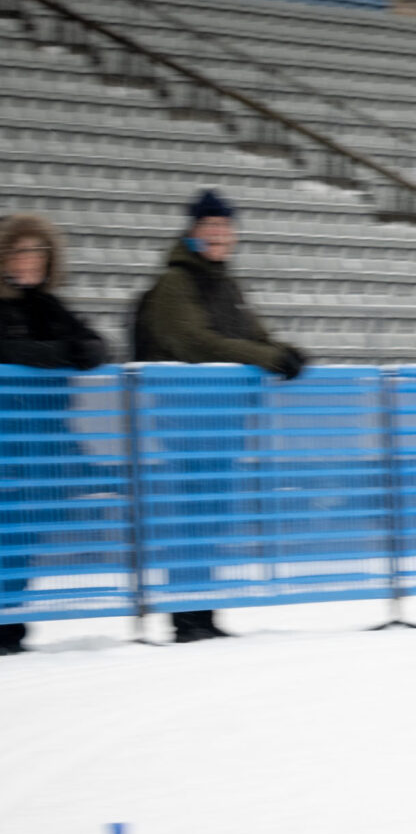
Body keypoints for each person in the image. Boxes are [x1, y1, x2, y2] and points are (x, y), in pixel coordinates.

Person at [136, 189, 307, 643]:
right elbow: (193, 342)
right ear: (193, 232)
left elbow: (252, 333)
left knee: (212, 516)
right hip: (187, 421)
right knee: (194, 515)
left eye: (224, 226)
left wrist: (283, 351)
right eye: (209, 226)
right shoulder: (177, 282)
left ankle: (202, 613)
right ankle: (187, 617)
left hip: (221, 421)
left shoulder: (224, 283)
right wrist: (265, 357)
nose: (218, 234)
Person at [0, 214, 109, 655]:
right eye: (21, 250)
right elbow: (10, 350)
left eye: (38, 251)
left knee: (27, 534)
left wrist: (82, 350)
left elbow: (97, 346)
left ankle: (11, 627)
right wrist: (57, 354)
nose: (30, 260)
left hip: (42, 442)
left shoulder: (49, 306)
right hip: (7, 438)